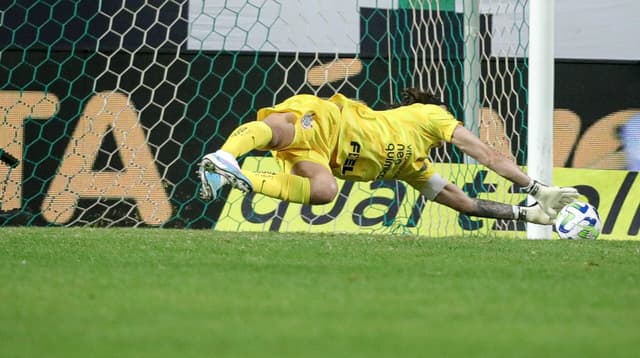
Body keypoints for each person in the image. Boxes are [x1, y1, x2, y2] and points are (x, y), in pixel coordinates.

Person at [197, 88, 578, 225]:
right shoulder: (432, 116)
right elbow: (486, 154)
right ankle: (225, 156)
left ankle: (240, 178)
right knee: (282, 128)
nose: (458, 127)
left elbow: (464, 203)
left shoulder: (416, 168)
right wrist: (534, 186)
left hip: (319, 155)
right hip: (333, 122)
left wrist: (525, 213)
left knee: (325, 190)